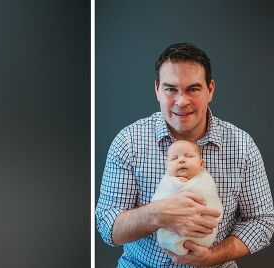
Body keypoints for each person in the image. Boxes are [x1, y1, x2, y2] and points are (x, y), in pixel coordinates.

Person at [95, 43, 274, 267]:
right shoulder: (129, 141)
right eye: (171, 89)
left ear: (210, 90)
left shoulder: (242, 146)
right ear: (157, 90)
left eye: (193, 89)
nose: (181, 101)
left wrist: (213, 256)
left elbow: (262, 221)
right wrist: (156, 215)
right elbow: (106, 226)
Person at [151, 140, 223, 256]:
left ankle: (199, 244)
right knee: (165, 234)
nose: (181, 160)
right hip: (172, 232)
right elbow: (157, 202)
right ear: (167, 166)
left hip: (204, 230)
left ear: (201, 164)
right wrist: (178, 184)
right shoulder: (168, 180)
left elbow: (210, 196)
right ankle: (179, 244)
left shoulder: (205, 178)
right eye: (174, 158)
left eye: (189, 156)